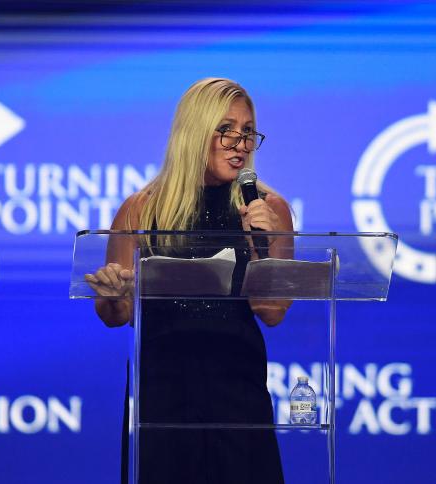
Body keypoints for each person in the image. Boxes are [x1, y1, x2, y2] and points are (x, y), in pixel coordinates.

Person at [85, 78, 294, 484]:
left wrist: (260, 245)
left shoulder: (269, 209)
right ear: (194, 133)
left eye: (248, 132)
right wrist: (113, 295)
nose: (240, 143)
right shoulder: (142, 210)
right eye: (226, 130)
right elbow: (117, 314)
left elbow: (271, 312)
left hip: (237, 384)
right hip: (163, 388)